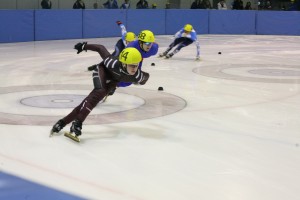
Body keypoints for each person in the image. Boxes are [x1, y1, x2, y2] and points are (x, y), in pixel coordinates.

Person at [50, 45, 149, 142]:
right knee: (98, 93)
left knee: (91, 100)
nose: (134, 69)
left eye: (136, 65)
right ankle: (78, 122)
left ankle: (63, 122)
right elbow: (100, 48)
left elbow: (146, 77)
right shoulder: (113, 63)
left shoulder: (137, 75)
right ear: (123, 63)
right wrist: (84, 46)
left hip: (113, 80)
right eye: (131, 65)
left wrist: (141, 82)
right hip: (102, 71)